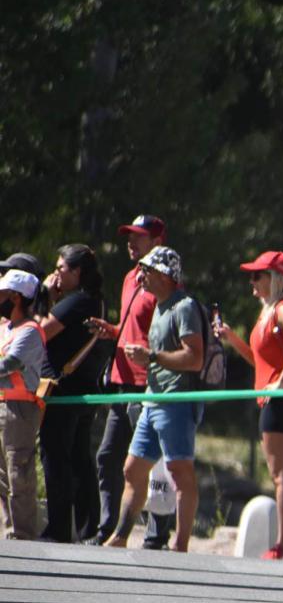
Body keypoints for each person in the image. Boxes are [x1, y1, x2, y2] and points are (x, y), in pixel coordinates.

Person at [104, 246, 204, 552]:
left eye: (146, 270)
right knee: (133, 469)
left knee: (180, 472)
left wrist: (152, 357)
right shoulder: (160, 307)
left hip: (175, 401)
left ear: (164, 274)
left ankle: (180, 545)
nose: (141, 276)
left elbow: (195, 358)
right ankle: (120, 537)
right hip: (153, 398)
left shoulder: (183, 307)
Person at [215, 250, 283, 561]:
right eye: (251, 276)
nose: (252, 282)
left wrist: (281, 382)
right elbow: (260, 364)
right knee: (280, 475)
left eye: (258, 275)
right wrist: (232, 338)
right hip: (275, 398)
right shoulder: (267, 313)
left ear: (276, 279)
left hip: (281, 400)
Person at [86, 214, 172, 546]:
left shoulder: (165, 283)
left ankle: (157, 534)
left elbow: (169, 332)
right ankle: (107, 529)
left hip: (147, 385)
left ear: (157, 242)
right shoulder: (129, 278)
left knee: (151, 462)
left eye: (139, 236)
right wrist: (111, 331)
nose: (131, 242)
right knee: (108, 456)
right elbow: (130, 327)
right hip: (122, 383)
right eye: (129, 235)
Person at [39, 244, 105, 543]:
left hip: (64, 391)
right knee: (79, 458)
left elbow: (39, 332)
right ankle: (88, 529)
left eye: (61, 269)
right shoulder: (94, 301)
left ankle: (59, 529)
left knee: (55, 456)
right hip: (83, 388)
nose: (56, 274)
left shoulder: (77, 301)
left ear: (77, 272)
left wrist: (45, 297)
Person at [0, 270, 48, 540]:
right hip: (2, 403)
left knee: (18, 471)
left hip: (18, 410)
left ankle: (23, 534)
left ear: (16, 297)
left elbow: (10, 363)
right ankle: (8, 530)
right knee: (2, 475)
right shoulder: (5, 328)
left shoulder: (30, 331)